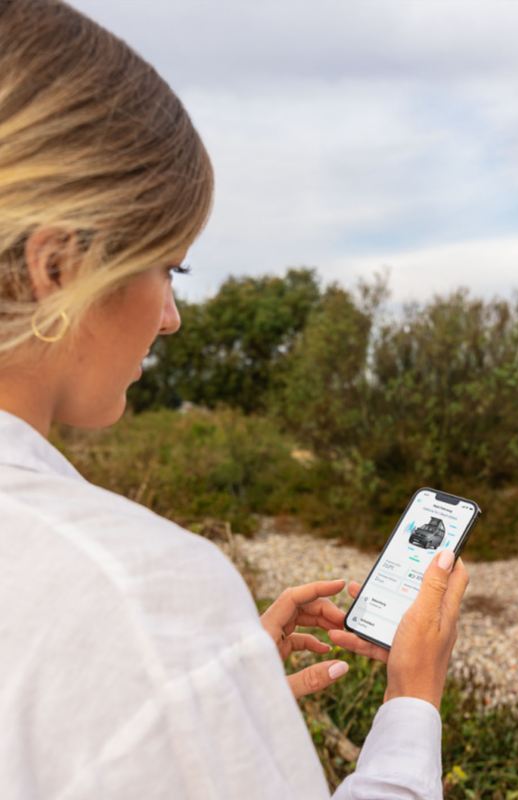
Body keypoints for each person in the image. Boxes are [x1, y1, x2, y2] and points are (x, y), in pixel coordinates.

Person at [0, 1, 469, 798]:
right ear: (57, 267)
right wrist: (413, 705)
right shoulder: (138, 590)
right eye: (169, 268)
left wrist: (194, 714)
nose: (172, 318)